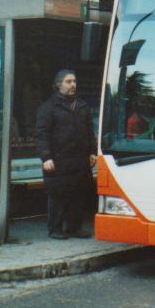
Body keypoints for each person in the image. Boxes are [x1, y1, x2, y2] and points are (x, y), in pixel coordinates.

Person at [36, 69, 98, 239]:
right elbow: (42, 134)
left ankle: (74, 228)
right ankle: (55, 229)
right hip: (58, 159)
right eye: (68, 81)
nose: (73, 85)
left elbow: (89, 131)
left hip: (79, 160)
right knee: (59, 195)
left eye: (74, 81)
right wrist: (46, 157)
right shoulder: (48, 108)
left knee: (79, 194)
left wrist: (93, 151)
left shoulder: (82, 106)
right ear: (58, 85)